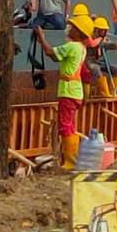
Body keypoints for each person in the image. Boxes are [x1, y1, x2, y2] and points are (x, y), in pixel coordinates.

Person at [33, 14, 93, 169]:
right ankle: (70, 159)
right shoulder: (81, 48)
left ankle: (70, 161)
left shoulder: (72, 46)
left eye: (72, 27)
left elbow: (51, 54)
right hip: (75, 91)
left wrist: (42, 37)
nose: (69, 29)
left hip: (68, 92)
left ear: (79, 33)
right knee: (70, 126)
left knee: (65, 126)